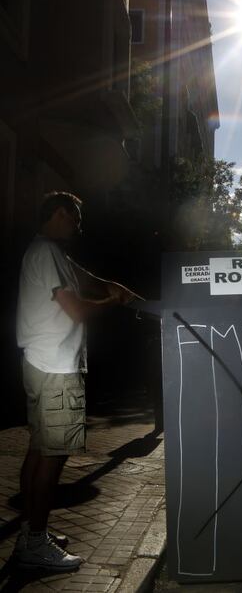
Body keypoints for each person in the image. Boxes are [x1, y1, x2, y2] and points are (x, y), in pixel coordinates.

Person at [15, 191, 142, 572]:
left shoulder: (49, 253)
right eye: (76, 219)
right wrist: (111, 303)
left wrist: (110, 286)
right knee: (52, 457)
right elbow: (75, 311)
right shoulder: (45, 253)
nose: (79, 226)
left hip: (40, 363)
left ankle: (30, 532)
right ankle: (34, 544)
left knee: (39, 450)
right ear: (59, 213)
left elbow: (83, 277)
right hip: (56, 369)